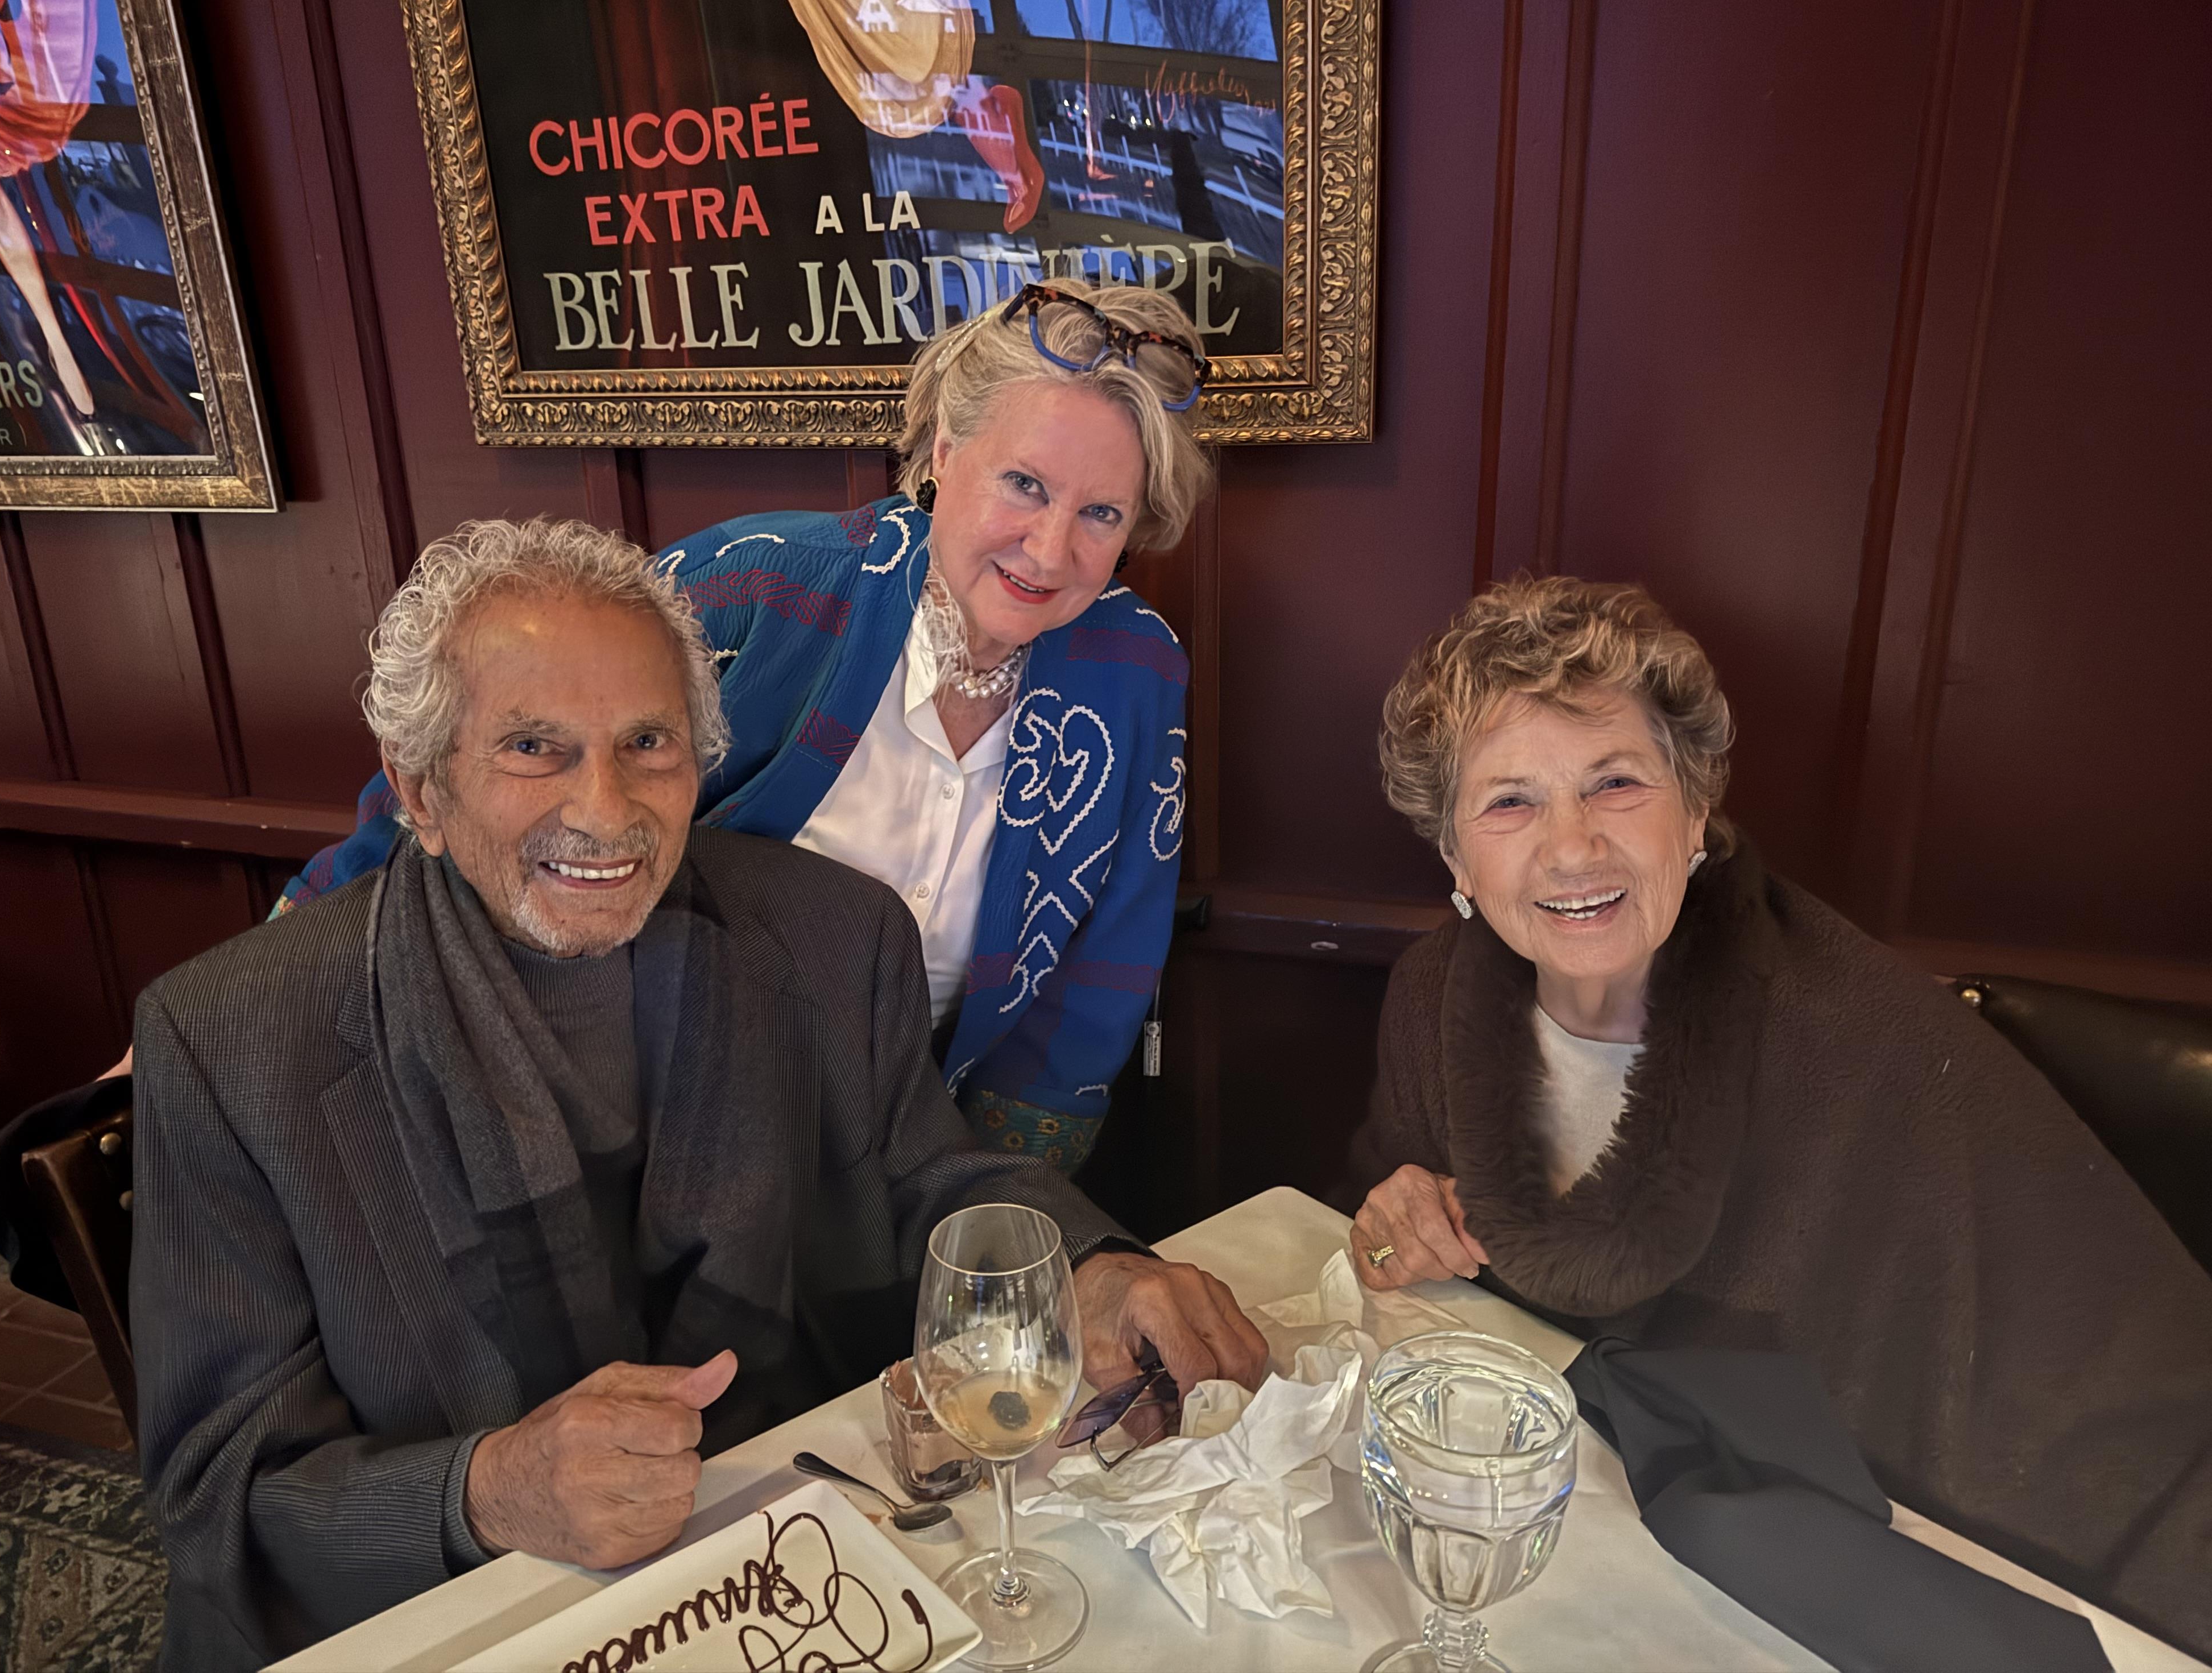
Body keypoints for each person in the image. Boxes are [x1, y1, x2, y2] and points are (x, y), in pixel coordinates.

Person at [131, 517, 1267, 1671]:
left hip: (796, 1562)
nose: (606, 808)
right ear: (421, 796)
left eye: (648, 742)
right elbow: (218, 1481)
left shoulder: (830, 934)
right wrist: (485, 1494)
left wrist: (1092, 1266)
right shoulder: (232, 1042)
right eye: (535, 747)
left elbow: (925, 1175)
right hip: (462, 1613)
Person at [1344, 575, 2212, 1657]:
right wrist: (1395, 1218)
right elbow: (1381, 1242)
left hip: (1830, 1562)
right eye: (1510, 802)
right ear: (1455, 857)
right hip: (1573, 1511)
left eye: (1616, 783)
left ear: (1695, 810)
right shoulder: (1433, 999)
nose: (1570, 849)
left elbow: (2083, 1383)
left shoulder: (1856, 1040)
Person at [275, 276, 1215, 1173]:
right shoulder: (755, 585)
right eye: (1024, 485)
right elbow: (443, 788)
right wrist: (259, 1015)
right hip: (637, 1105)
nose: (1051, 549)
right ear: (943, 453)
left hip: (917, 1137)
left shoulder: (1135, 672)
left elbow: (1097, 980)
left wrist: (992, 1220)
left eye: (1101, 512)